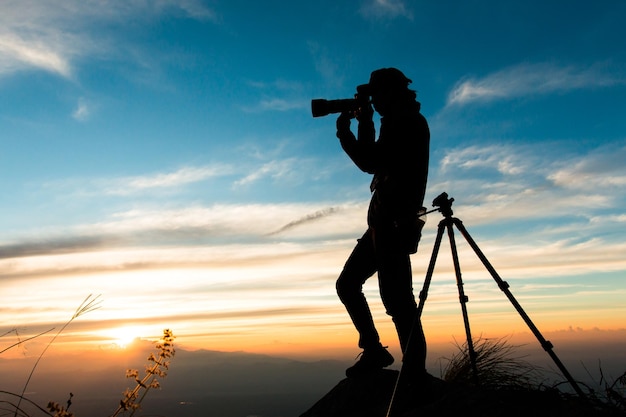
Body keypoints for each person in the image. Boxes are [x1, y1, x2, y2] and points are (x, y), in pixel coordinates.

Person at [334, 68, 430, 380]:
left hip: (394, 225)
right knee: (350, 285)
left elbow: (370, 162)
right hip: (383, 224)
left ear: (392, 93)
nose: (373, 101)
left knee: (398, 301)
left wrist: (348, 131)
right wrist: (363, 122)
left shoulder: (405, 122)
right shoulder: (400, 120)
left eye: (377, 95)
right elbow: (373, 157)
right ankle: (375, 351)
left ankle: (414, 373)